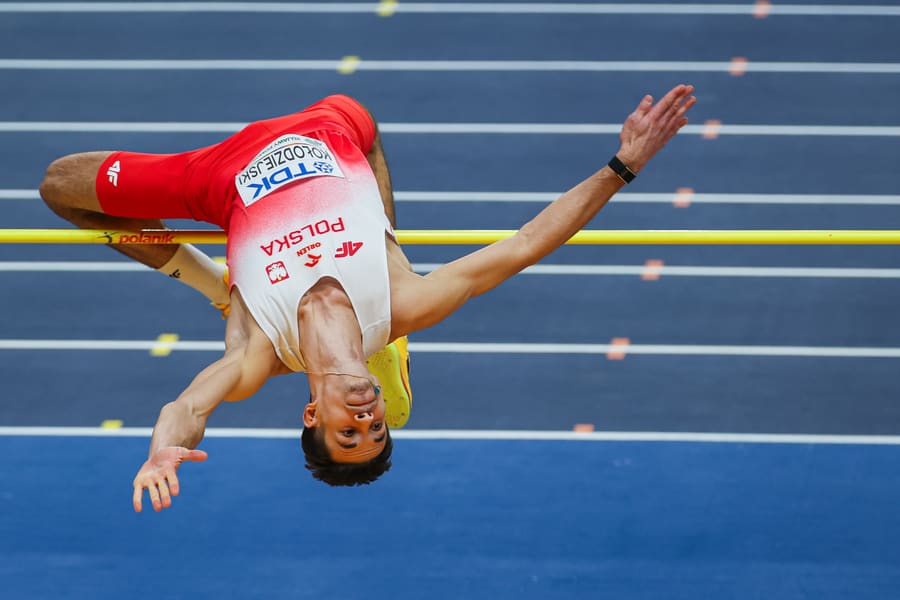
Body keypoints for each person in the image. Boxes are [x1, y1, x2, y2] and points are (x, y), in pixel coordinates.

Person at [39, 84, 696, 512]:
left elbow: (185, 407)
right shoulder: (407, 302)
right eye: (375, 428)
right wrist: (623, 166)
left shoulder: (255, 359)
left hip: (219, 180)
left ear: (309, 415)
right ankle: (328, 288)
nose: (365, 417)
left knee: (59, 188)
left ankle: (219, 286)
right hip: (333, 129)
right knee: (358, 125)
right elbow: (525, 243)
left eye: (347, 432)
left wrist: (162, 449)